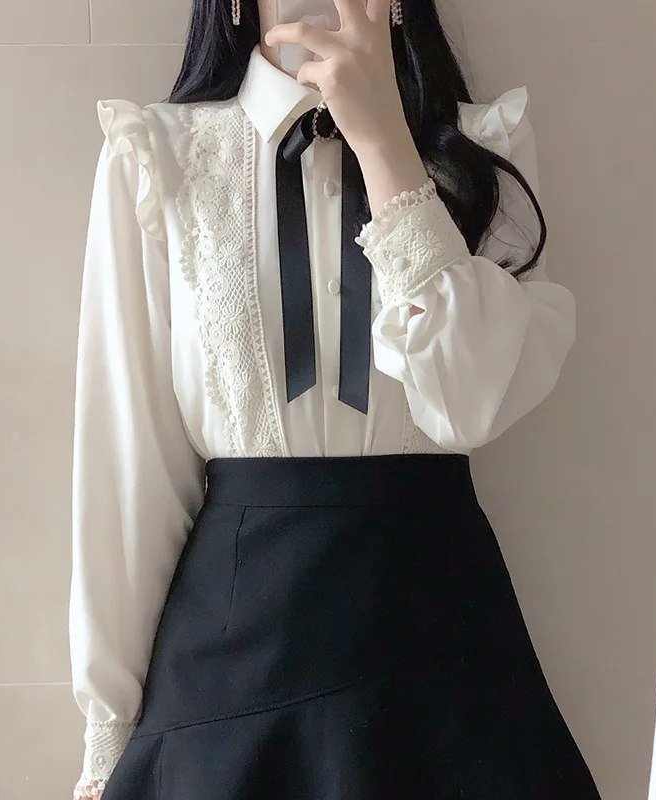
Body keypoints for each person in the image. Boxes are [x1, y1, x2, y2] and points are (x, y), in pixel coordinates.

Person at [69, 0, 602, 797]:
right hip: (232, 660)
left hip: (440, 640)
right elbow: (127, 471)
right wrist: (107, 732)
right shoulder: (160, 155)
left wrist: (385, 142)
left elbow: (473, 402)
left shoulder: (479, 147)